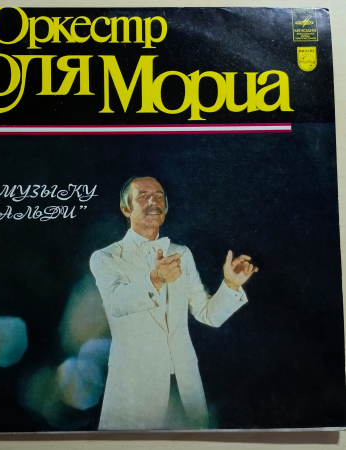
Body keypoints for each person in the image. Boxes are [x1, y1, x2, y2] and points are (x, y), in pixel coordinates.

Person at [90, 176, 258, 430]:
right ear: (126, 209)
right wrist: (155, 280)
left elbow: (207, 313)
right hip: (133, 389)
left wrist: (231, 285)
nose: (153, 201)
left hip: (184, 387)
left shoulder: (182, 253)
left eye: (159, 196)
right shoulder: (106, 257)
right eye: (143, 196)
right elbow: (116, 303)